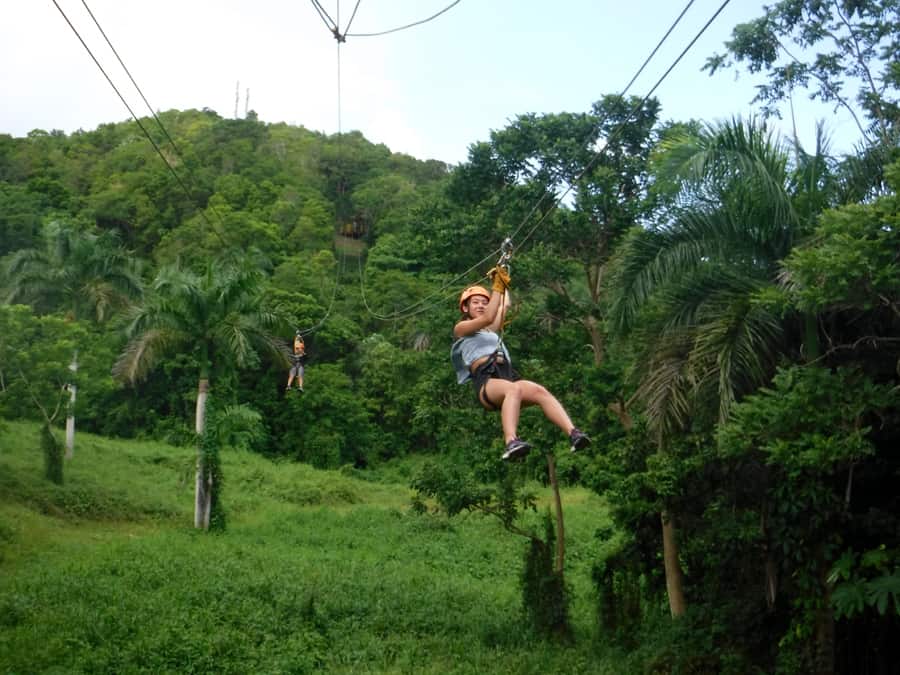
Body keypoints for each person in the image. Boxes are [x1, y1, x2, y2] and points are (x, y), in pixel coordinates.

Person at [450, 267, 591, 461]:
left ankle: (574, 434)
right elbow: (489, 316)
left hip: (506, 376)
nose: (481, 305)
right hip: (486, 382)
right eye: (476, 303)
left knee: (540, 391)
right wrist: (496, 286)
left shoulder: (489, 330)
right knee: (513, 390)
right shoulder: (461, 329)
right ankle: (511, 441)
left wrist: (502, 284)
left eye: (485, 302)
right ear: (465, 308)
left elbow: (503, 307)